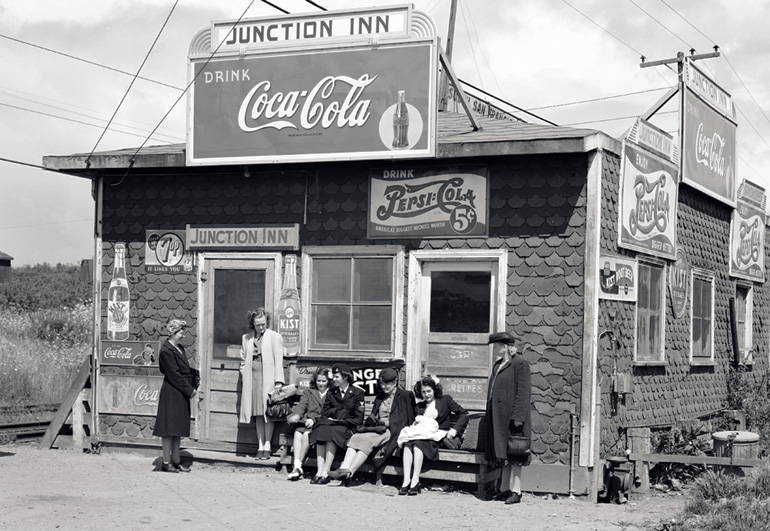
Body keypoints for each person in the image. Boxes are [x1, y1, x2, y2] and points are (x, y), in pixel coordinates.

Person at [328, 367, 415, 486]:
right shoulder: (380, 397)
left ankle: (350, 472)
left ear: (395, 382)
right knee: (355, 438)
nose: (384, 387)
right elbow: (374, 415)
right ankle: (344, 468)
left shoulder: (405, 395)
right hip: (377, 429)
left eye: (387, 384)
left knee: (367, 441)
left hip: (392, 430)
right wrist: (372, 420)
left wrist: (385, 423)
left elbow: (406, 418)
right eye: (382, 384)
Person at [398, 375, 468, 496]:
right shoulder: (419, 407)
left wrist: (455, 430)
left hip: (438, 436)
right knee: (408, 444)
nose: (427, 395)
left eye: (429, 391)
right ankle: (406, 481)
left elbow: (464, 414)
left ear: (435, 390)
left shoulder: (445, 400)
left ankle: (415, 480)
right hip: (421, 435)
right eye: (423, 392)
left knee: (417, 445)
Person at [485, 331, 532, 505]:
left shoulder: (520, 364)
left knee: (516, 454)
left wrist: (518, 416)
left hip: (514, 418)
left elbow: (524, 392)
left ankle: (516, 491)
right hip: (499, 418)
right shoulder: (498, 365)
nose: (495, 349)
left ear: (505, 347)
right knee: (503, 454)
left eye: (497, 346)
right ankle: (504, 489)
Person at [152, 319, 200, 473]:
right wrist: (190, 390)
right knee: (168, 430)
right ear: (173, 332)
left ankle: (176, 460)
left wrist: (194, 378)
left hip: (179, 392)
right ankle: (166, 462)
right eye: (180, 331)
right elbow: (174, 375)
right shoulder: (166, 351)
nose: (183, 333)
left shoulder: (179, 348)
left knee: (177, 429)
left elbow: (183, 371)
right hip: (171, 393)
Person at [239, 308, 285, 460]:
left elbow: (279, 361)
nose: (261, 327)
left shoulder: (275, 337)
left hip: (268, 379)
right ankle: (260, 446)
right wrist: (244, 371)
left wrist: (278, 382)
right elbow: (243, 358)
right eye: (258, 324)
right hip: (252, 378)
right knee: (258, 414)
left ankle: (268, 445)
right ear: (252, 324)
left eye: (263, 324)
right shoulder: (246, 338)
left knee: (268, 414)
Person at [308, 363, 365, 484]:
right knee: (320, 430)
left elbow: (358, 419)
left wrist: (340, 419)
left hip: (347, 427)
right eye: (333, 376)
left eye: (336, 377)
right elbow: (325, 413)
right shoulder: (332, 392)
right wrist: (341, 413)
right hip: (331, 425)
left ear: (345, 377)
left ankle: (326, 470)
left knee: (330, 432)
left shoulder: (357, 393)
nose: (333, 379)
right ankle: (319, 471)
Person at [285, 367, 333, 481]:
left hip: (320, 423)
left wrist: (315, 420)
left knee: (306, 435)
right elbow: (302, 406)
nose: (320, 384)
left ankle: (297, 467)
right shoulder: (309, 392)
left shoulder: (331, 394)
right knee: (297, 433)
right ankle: (297, 466)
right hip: (306, 421)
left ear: (328, 382)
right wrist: (297, 415)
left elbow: (330, 412)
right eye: (318, 381)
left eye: (323, 381)